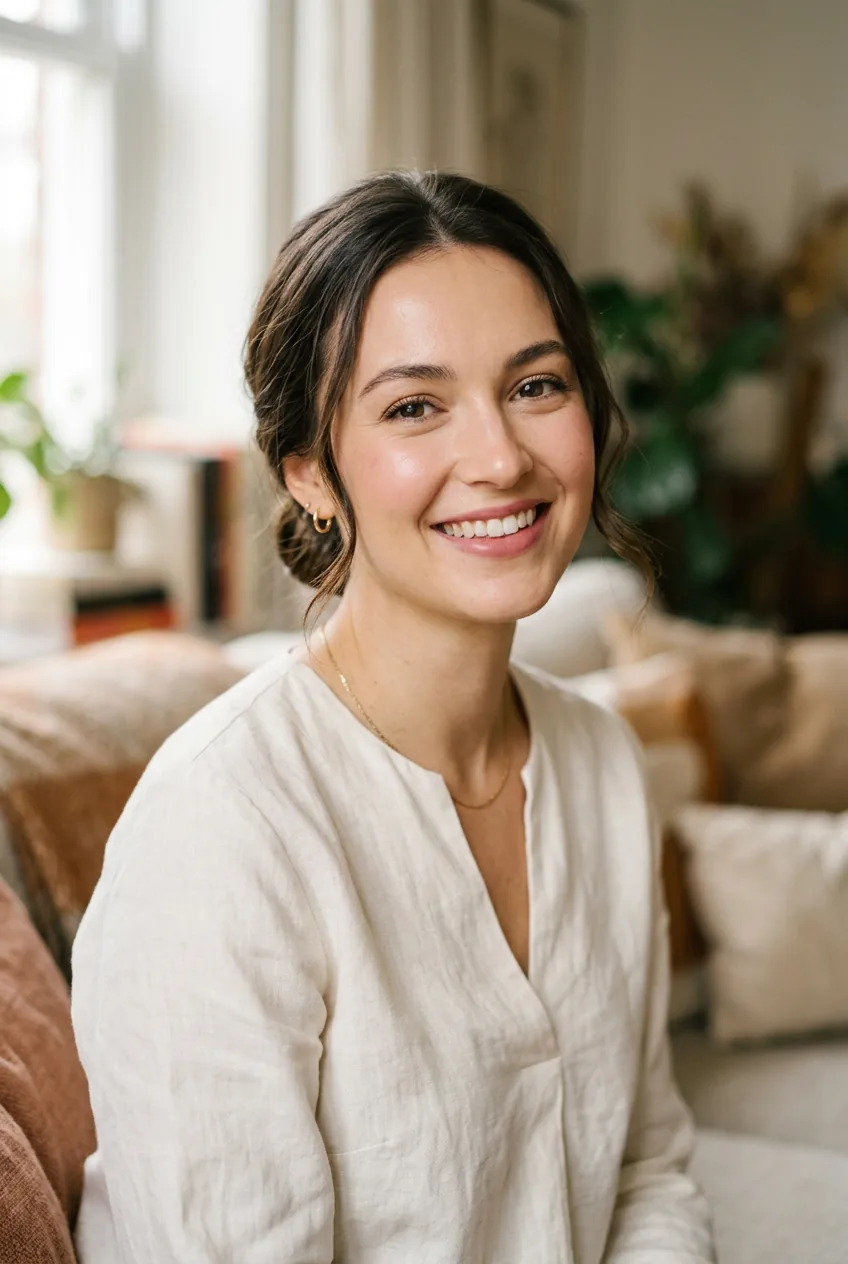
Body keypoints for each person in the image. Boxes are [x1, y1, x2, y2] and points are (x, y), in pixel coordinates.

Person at [71, 170, 715, 1263]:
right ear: (311, 473)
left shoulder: (602, 760)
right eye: (414, 405)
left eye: (536, 385)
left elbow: (645, 1169)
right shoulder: (219, 830)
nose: (501, 457)